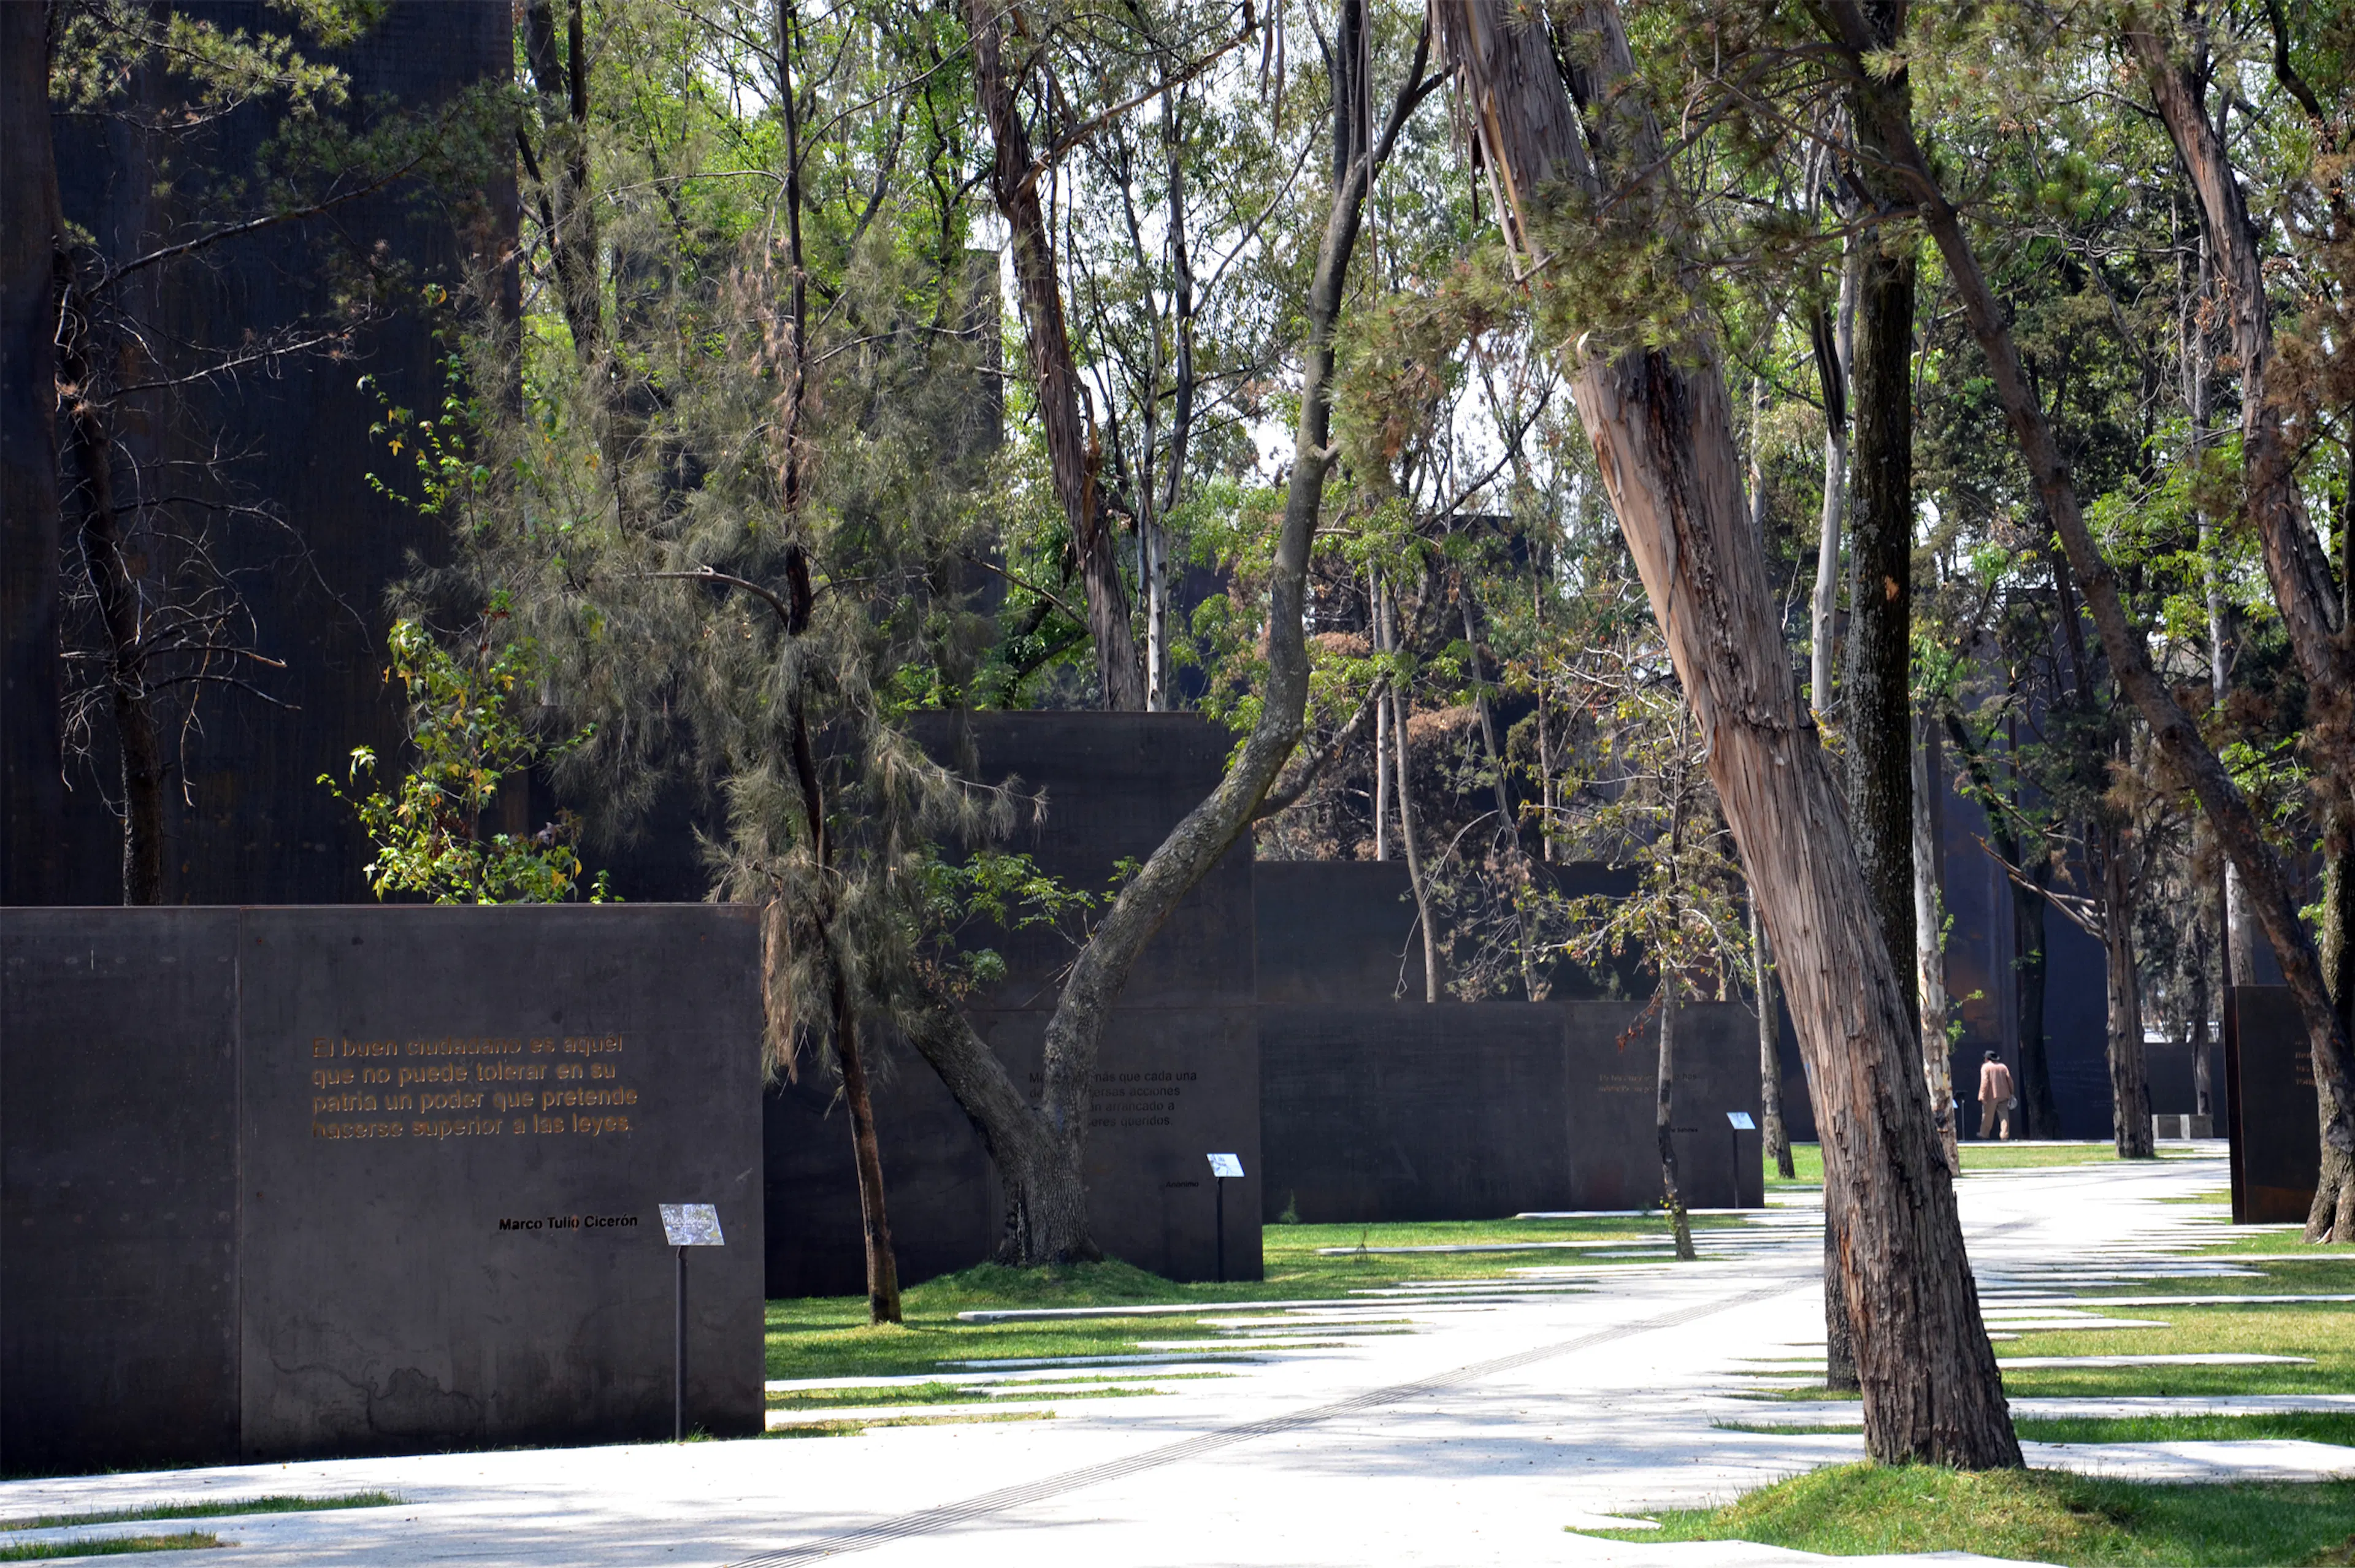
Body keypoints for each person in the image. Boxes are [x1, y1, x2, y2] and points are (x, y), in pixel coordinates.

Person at [1977, 1049, 2015, 1141]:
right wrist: (2011, 1093)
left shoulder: (1986, 1067)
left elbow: (1985, 1082)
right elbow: (2010, 1081)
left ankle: (1984, 1134)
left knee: (1988, 1116)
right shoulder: (2003, 1067)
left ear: (1987, 1059)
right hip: (2004, 1095)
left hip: (1991, 1095)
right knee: (2004, 1117)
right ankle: (2004, 1135)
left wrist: (1982, 1095)